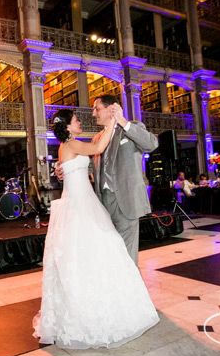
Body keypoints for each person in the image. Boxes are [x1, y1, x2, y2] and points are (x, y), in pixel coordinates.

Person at [33, 107, 159, 349]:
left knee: (98, 255)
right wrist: (113, 120)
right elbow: (99, 150)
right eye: (76, 119)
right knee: (97, 254)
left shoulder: (68, 146)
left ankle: (115, 302)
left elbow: (83, 166)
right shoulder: (73, 144)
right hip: (81, 207)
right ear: (68, 126)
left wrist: (117, 122)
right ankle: (101, 309)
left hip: (86, 202)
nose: (82, 120)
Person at [57, 94, 159, 263]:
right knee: (110, 252)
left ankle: (130, 287)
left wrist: (123, 122)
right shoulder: (97, 138)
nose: (93, 114)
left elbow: (151, 145)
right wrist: (66, 169)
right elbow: (91, 166)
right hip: (102, 203)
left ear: (111, 108)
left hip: (127, 200)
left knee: (126, 254)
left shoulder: (131, 128)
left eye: (96, 109)